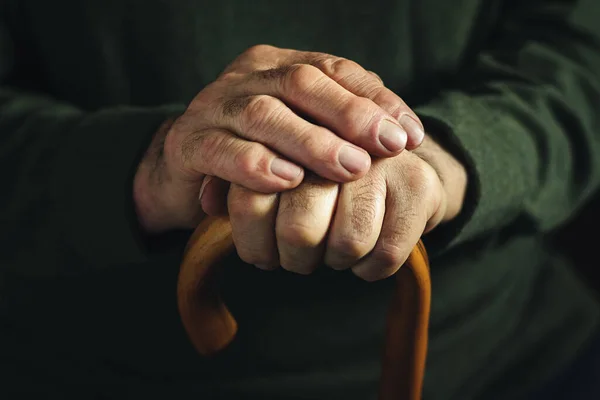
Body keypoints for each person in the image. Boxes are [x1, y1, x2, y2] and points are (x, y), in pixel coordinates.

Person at [1, 0, 599, 398]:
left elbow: (581, 52)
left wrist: (445, 162)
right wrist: (152, 165)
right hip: (89, 370)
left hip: (510, 359)